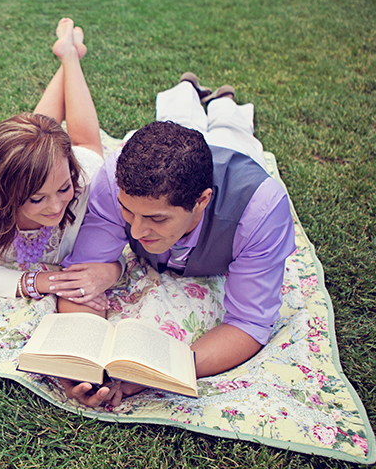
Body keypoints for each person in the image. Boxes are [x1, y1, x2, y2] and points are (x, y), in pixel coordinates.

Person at [47, 74, 297, 407]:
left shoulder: (261, 210)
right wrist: (80, 359)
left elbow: (249, 323)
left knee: (230, 132)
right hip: (181, 144)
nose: (135, 233)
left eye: (156, 219)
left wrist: (161, 371)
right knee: (180, 121)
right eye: (127, 212)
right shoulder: (114, 178)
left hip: (236, 150)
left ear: (202, 201)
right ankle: (186, 88)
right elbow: (83, 274)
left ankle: (224, 103)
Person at [0, 19, 104, 299]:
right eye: (37, 199)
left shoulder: (85, 181)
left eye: (63, 189)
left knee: (80, 141)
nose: (57, 205)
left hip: (76, 161)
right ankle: (69, 55)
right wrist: (44, 281)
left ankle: (70, 57)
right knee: (32, 139)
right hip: (18, 166)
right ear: (3, 194)